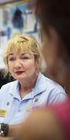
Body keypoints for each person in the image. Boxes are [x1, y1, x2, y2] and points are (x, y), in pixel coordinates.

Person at [15, 0, 70, 139]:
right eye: (11, 59)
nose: (17, 65)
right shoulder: (4, 91)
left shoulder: (47, 121)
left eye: (25, 57)